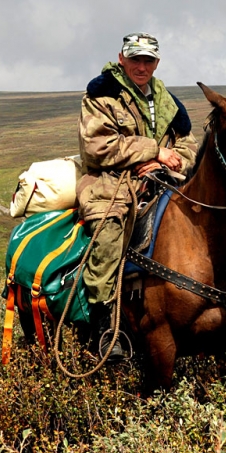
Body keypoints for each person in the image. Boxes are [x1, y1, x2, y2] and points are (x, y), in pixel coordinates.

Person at [77, 32, 198, 361]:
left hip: (163, 179)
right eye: (135, 59)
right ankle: (104, 324)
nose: (141, 66)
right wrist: (153, 151)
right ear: (121, 59)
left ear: (157, 63)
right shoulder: (102, 94)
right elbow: (98, 147)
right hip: (109, 181)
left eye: (148, 60)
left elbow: (187, 143)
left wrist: (172, 161)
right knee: (109, 233)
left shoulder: (168, 101)